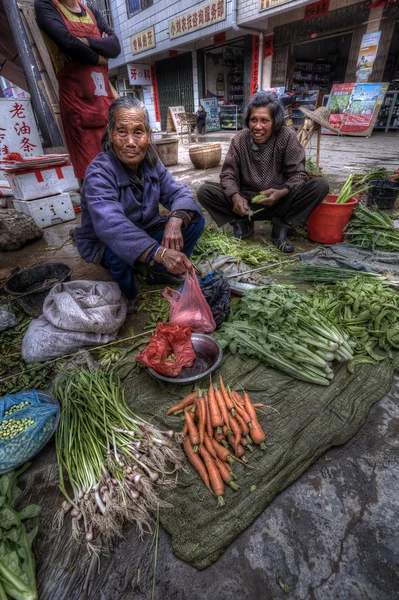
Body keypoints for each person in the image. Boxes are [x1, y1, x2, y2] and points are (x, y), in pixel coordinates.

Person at [74, 97, 205, 311]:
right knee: (118, 255)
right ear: (110, 133)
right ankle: (129, 295)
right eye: (122, 132)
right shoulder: (99, 172)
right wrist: (160, 252)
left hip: (146, 229)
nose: (131, 142)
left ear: (148, 135)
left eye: (138, 132)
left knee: (193, 219)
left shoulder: (151, 161)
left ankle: (160, 271)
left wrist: (175, 219)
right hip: (107, 240)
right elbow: (111, 226)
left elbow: (178, 191)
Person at [197, 92, 329, 252]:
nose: (257, 126)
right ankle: (242, 224)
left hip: (280, 202)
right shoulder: (239, 140)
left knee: (319, 185)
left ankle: (281, 228)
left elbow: (298, 174)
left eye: (264, 120)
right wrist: (235, 196)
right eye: (253, 120)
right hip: (246, 204)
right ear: (248, 120)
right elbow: (228, 175)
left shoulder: (286, 137)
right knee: (205, 191)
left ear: (275, 122)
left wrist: (282, 192)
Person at [34, 0, 121, 181]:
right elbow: (67, 42)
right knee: (91, 173)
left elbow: (114, 47)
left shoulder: (91, 11)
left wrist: (85, 41)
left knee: (118, 163)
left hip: (105, 100)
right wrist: (98, 57)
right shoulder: (45, 5)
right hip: (78, 104)